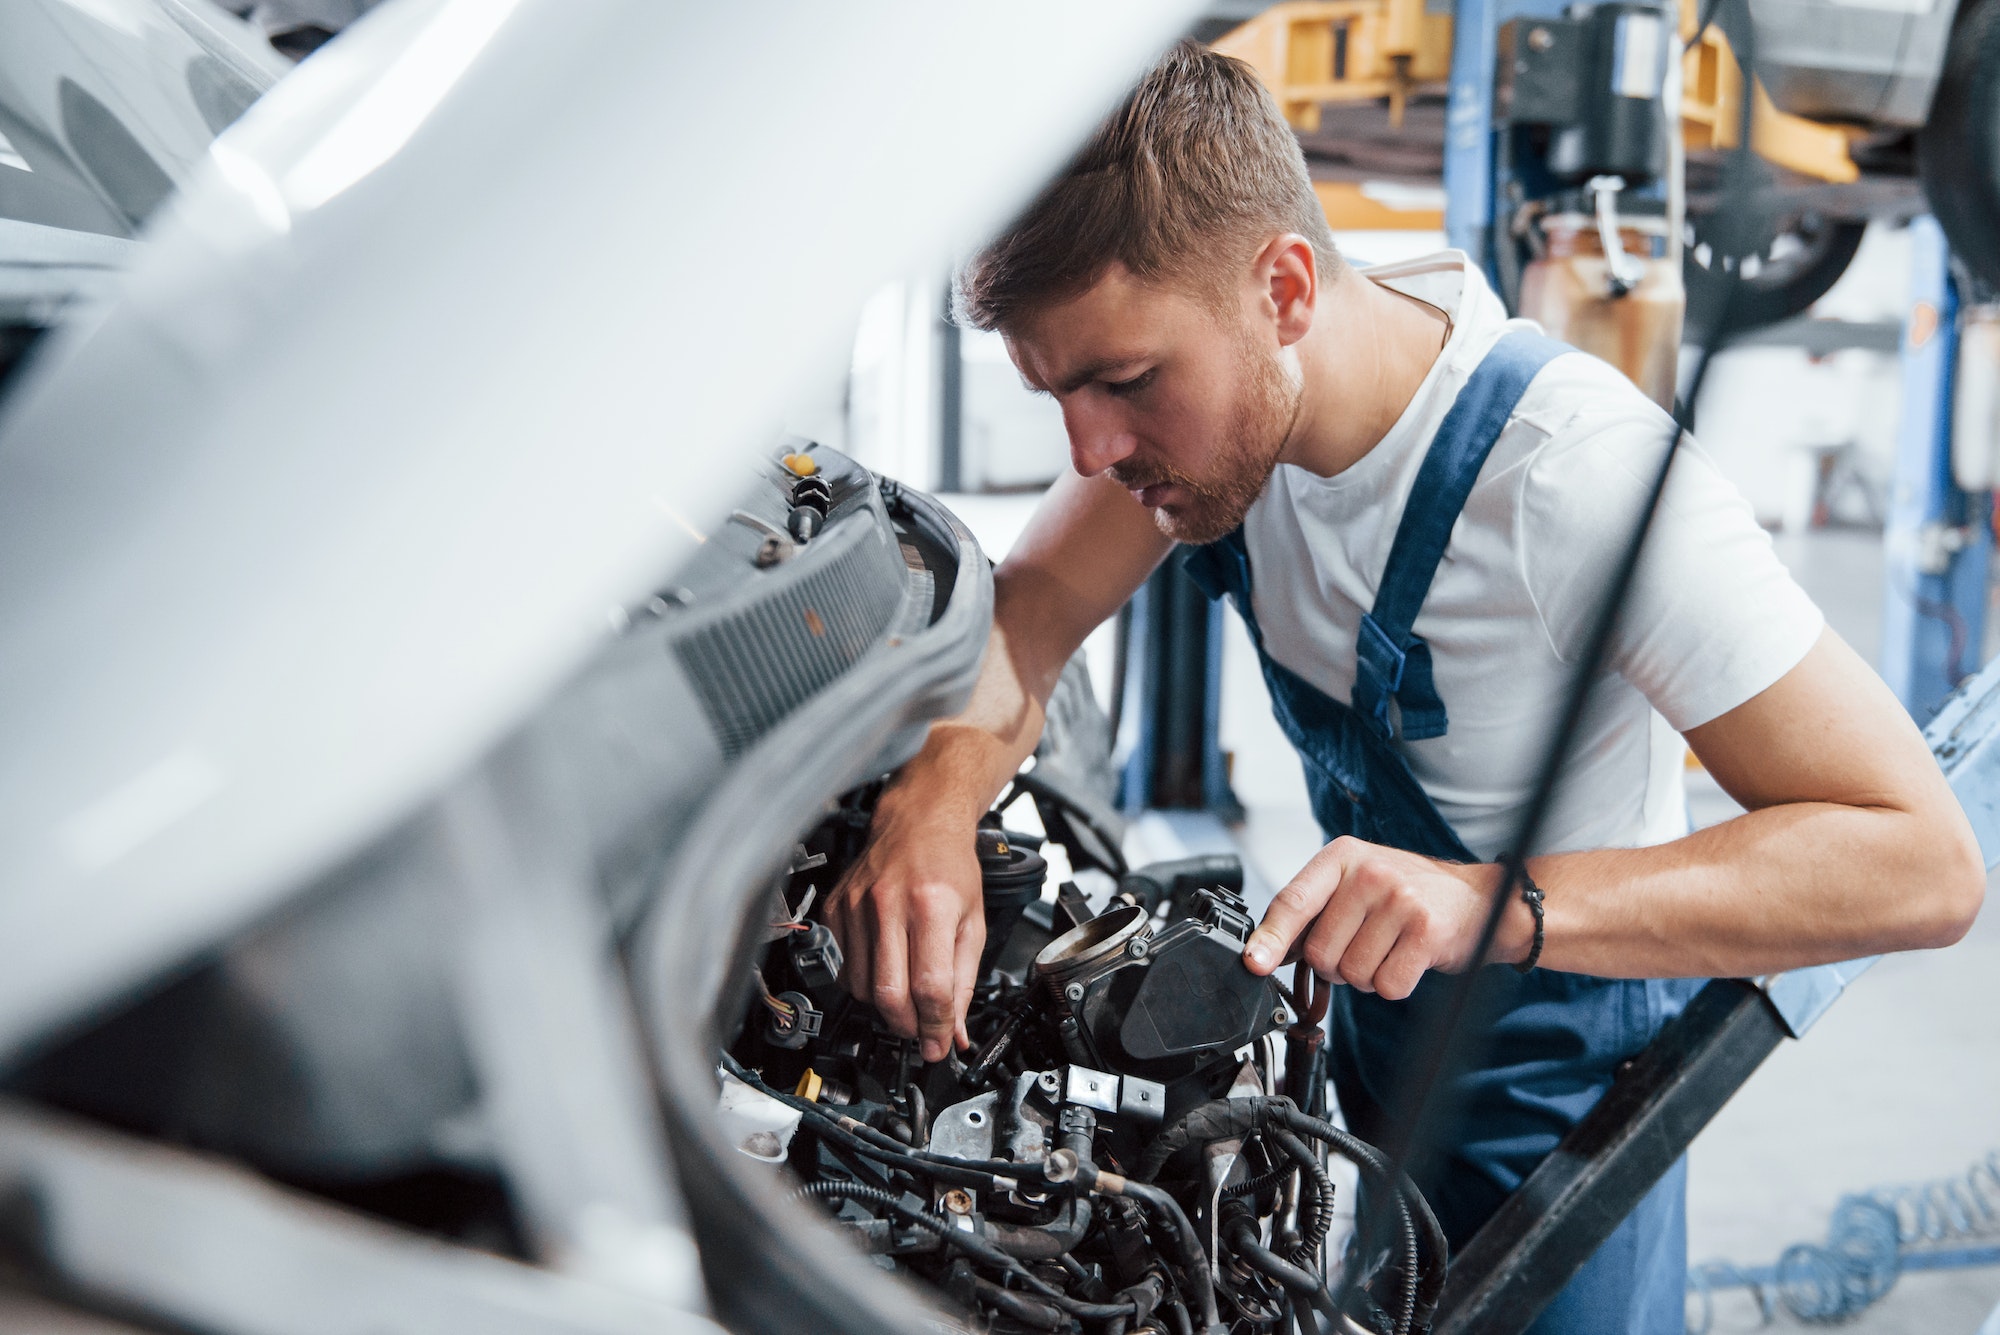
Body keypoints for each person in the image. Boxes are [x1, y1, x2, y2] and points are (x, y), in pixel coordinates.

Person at [820, 40, 1984, 1332]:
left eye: (1126, 381)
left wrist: (1480, 904)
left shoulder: (1572, 482)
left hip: (1562, 1115)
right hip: (1377, 1048)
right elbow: (1028, 618)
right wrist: (931, 804)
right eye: (1059, 394)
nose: (1090, 450)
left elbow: (1920, 864)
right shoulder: (1205, 438)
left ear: (1287, 288)